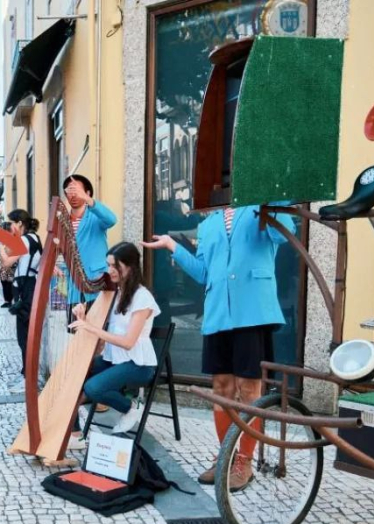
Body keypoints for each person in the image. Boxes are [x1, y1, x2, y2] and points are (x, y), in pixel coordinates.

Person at [142, 204, 296, 491]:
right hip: (217, 314)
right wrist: (172, 246)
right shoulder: (208, 223)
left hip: (252, 312)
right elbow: (203, 273)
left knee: (249, 389)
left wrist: (265, 195)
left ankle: (245, 462)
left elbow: (284, 233)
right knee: (221, 388)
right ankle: (227, 456)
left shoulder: (259, 208)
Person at [71, 243, 160, 437]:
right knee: (74, 372)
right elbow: (103, 324)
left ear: (130, 267)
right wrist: (83, 316)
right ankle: (74, 432)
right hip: (114, 359)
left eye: (114, 266)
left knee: (92, 388)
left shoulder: (142, 298)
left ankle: (130, 406)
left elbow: (128, 342)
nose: (109, 271)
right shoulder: (116, 293)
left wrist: (92, 328)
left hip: (138, 364)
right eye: (108, 265)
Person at [58, 174, 116, 323]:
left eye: (77, 191)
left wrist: (89, 201)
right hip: (73, 288)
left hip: (97, 284)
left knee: (100, 333)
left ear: (88, 193)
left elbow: (112, 219)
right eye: (69, 191)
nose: (73, 195)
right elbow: (57, 247)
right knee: (76, 333)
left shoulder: (95, 216)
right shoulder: (62, 221)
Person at [0, 209, 42, 393]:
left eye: (12, 224)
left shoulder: (25, 240)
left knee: (25, 337)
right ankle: (26, 373)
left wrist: (0, 246)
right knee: (25, 335)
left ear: (20, 224)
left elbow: (7, 262)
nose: (11, 227)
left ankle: (29, 378)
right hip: (29, 287)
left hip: (26, 289)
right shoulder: (34, 238)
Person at [0, 221, 15, 308]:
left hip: (11, 263)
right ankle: (7, 301)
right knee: (4, 282)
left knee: (10, 283)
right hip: (3, 265)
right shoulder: (2, 240)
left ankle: (11, 300)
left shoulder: (14, 239)